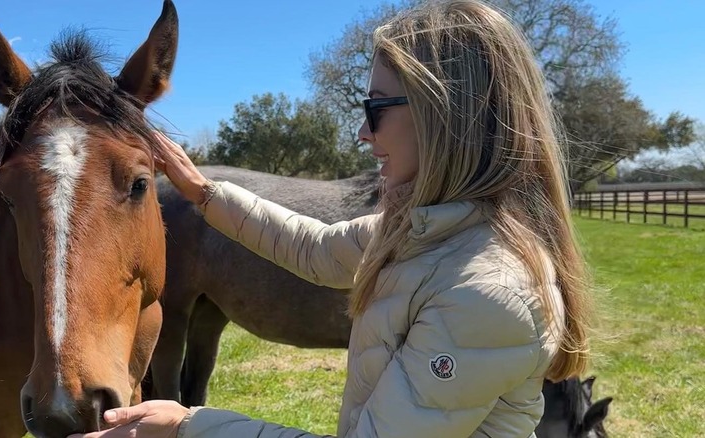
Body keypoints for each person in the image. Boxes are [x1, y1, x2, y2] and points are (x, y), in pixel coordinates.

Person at [69, 0, 594, 436]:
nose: (363, 135)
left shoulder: (487, 292)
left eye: (375, 110)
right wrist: (204, 193)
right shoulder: (427, 231)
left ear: (444, 117)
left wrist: (188, 424)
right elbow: (314, 248)